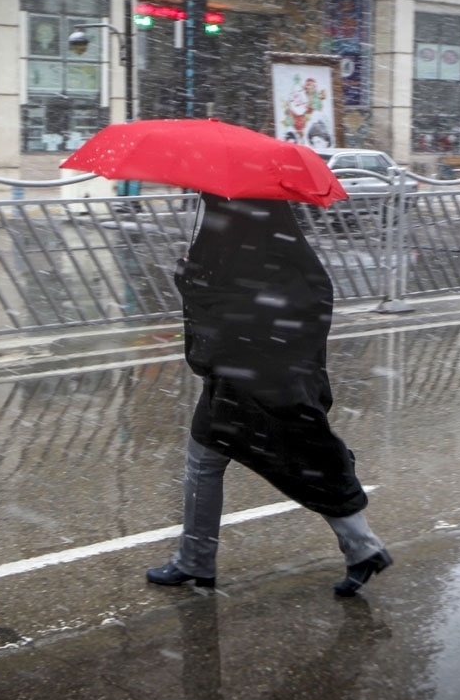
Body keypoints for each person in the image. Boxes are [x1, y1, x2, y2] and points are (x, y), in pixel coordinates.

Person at [147, 193, 392, 596]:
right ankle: (196, 561)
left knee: (290, 463)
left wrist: (196, 287)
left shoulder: (236, 238)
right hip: (258, 378)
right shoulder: (276, 239)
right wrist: (196, 283)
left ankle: (196, 561)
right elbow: (291, 298)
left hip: (252, 381)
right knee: (277, 461)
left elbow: (237, 306)